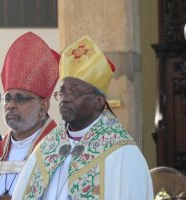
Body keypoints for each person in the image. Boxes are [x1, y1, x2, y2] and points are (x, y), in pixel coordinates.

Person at [12, 36, 154, 199]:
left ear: (99, 101)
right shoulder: (46, 148)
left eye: (75, 92)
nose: (65, 97)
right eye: (63, 91)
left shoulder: (122, 153)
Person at [0, 32, 60, 200]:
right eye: (8, 98)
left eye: (21, 98)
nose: (10, 105)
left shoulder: (59, 151)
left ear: (43, 107)